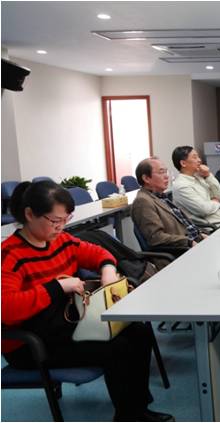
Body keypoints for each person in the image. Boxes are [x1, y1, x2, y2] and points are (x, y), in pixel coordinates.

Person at [1, 180, 173, 422]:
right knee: (118, 347)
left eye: (66, 220)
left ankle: (137, 408)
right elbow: (7, 309)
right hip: (30, 343)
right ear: (30, 214)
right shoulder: (9, 255)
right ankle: (128, 415)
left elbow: (99, 253)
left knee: (139, 332)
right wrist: (58, 287)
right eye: (55, 221)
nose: (61, 227)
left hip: (64, 326)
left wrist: (108, 269)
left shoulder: (60, 240)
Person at [132, 157, 207, 249]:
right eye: (161, 172)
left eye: (166, 172)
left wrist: (201, 235)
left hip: (197, 241)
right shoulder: (143, 201)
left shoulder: (161, 196)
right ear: (146, 178)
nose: (166, 176)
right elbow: (156, 237)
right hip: (183, 250)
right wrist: (189, 242)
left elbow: (184, 225)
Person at [171, 146, 220, 227]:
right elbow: (204, 209)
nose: (199, 160)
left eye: (198, 157)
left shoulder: (199, 176)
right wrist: (216, 202)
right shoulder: (181, 186)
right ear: (183, 163)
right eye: (195, 157)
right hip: (213, 227)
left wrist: (208, 175)